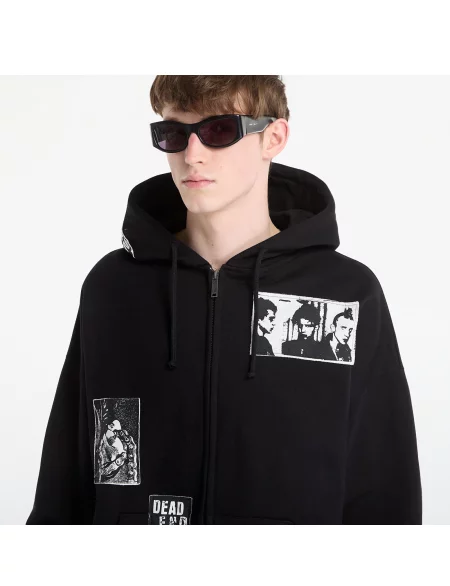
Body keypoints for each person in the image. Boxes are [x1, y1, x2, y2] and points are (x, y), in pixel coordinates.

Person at [26, 75, 422, 525]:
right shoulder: (114, 287)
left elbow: (383, 480)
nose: (192, 154)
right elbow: (67, 471)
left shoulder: (345, 293)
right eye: (174, 133)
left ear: (273, 138)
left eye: (218, 130)